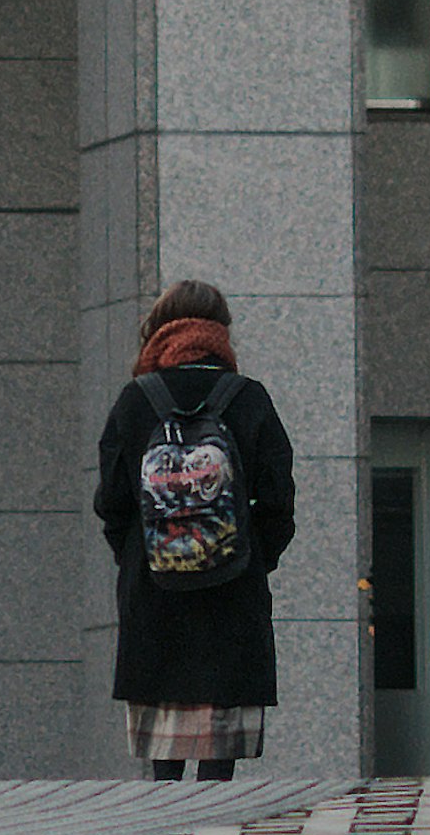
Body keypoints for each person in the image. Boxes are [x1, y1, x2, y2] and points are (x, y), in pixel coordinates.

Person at [95, 277, 295, 779]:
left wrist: (146, 555)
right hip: (231, 595)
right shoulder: (248, 398)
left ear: (159, 331)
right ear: (221, 333)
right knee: (217, 772)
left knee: (163, 771)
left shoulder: (135, 402)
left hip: (153, 596)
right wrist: (246, 556)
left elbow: (112, 504)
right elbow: (279, 501)